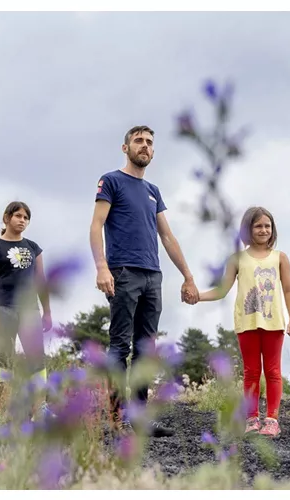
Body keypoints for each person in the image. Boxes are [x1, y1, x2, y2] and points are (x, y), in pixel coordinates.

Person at [89, 125, 199, 438]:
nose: (145, 146)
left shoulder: (153, 190)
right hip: (123, 271)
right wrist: (102, 267)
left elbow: (167, 235)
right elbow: (96, 226)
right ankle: (116, 417)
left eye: (150, 142)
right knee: (120, 344)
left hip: (153, 274)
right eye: (139, 141)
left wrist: (188, 276)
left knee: (145, 349)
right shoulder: (111, 181)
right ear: (125, 148)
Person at [196, 206, 290, 438]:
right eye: (258, 226)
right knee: (251, 371)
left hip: (274, 323)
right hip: (247, 322)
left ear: (273, 230)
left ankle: (272, 419)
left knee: (273, 371)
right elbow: (223, 289)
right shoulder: (237, 259)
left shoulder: (280, 258)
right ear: (248, 229)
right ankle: (251, 419)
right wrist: (198, 296)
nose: (263, 230)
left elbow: (289, 290)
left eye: (267, 226)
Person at [0, 201, 52, 416]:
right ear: (6, 218)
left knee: (37, 359)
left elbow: (41, 280)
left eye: (26, 217)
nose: (22, 220)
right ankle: (4, 409)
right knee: (6, 360)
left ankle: (39, 408)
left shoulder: (33, 247)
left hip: (29, 310)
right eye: (18, 216)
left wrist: (47, 312)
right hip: (3, 308)